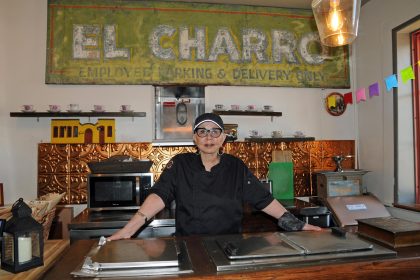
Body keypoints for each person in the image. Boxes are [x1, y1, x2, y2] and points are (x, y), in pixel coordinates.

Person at [108, 113, 320, 240]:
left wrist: (298, 225)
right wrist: (129, 229)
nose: (208, 137)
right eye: (202, 131)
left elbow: (263, 199)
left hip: (230, 245)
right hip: (189, 246)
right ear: (194, 138)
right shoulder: (181, 164)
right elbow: (160, 195)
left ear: (223, 139)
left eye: (214, 132)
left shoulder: (235, 166)